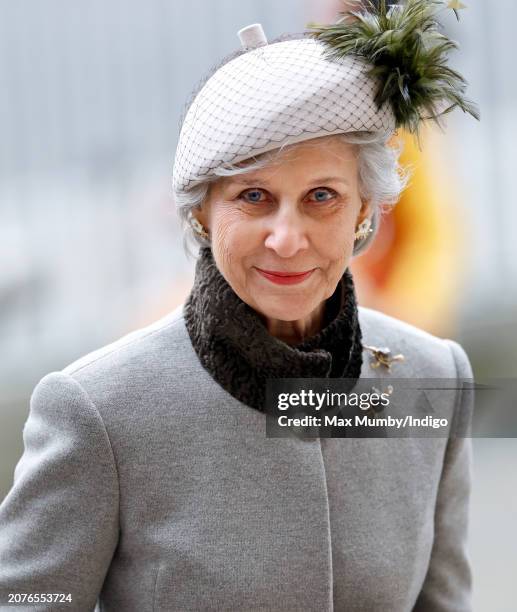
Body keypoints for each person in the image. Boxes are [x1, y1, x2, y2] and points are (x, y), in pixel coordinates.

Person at [0, 2, 479, 610]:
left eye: (321, 197)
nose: (287, 237)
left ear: (365, 211)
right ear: (202, 212)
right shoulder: (99, 412)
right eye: (254, 196)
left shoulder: (433, 381)